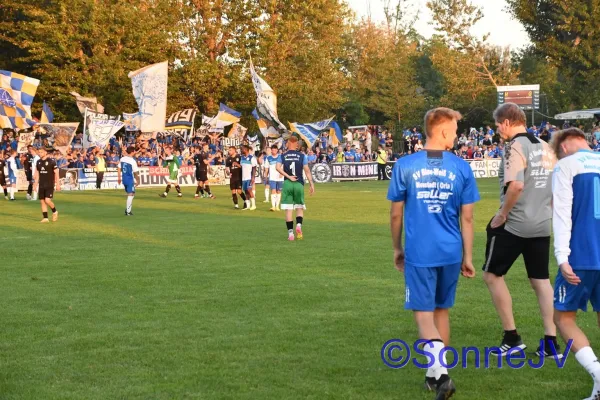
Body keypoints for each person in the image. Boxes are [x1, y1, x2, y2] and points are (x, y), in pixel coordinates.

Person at [388, 107, 479, 399]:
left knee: (423, 313)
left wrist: (397, 247)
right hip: (451, 251)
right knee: (441, 310)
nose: (457, 134)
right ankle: (434, 374)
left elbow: (395, 215)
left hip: (420, 251)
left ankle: (442, 376)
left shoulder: (405, 165)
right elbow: (467, 218)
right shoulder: (461, 167)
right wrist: (468, 256)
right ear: (441, 132)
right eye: (453, 129)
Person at [482, 102, 559, 357]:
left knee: (492, 275)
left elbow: (515, 186)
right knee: (541, 281)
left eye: (497, 126)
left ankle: (512, 338)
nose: (497, 131)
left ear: (506, 122)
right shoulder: (547, 147)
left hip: (515, 223)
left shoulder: (515, 145)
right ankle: (550, 341)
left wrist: (502, 215)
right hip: (541, 223)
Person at [551, 128, 600, 400]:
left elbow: (561, 214)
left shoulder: (565, 165)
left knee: (563, 318)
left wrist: (561, 256)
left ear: (565, 147)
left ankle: (599, 375)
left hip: (581, 255)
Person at [276, 136, 315, 241]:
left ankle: (290, 234)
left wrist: (288, 176)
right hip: (299, 183)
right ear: (297, 144)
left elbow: (277, 168)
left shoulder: (283, 156)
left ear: (288, 143)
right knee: (299, 208)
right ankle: (298, 225)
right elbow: (307, 171)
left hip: (288, 183)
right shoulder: (302, 156)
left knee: (289, 210)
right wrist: (311, 184)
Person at [34, 147, 60, 223]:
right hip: (41, 184)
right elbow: (38, 174)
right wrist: (35, 184)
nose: (40, 153)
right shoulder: (38, 162)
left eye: (41, 152)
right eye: (39, 152)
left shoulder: (51, 161)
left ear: (46, 152)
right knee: (42, 201)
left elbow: (57, 173)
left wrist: (58, 184)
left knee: (47, 200)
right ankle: (45, 218)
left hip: (49, 184)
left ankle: (55, 211)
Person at [117, 146, 140, 216]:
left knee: (132, 193)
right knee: (131, 194)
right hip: (129, 179)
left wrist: (119, 178)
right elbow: (136, 173)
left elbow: (118, 168)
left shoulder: (122, 159)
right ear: (132, 152)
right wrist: (138, 180)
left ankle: (128, 209)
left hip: (124, 179)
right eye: (134, 151)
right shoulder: (132, 161)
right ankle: (128, 211)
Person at [265, 145, 283, 211]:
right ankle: (273, 206)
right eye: (272, 150)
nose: (274, 151)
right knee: (273, 190)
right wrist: (266, 176)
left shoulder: (280, 157)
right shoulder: (268, 158)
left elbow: (283, 166)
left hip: (280, 177)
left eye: (275, 150)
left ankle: (277, 206)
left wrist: (281, 173)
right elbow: (266, 168)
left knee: (278, 191)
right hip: (272, 177)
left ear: (277, 150)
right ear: (271, 150)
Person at [241, 145, 257, 210]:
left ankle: (254, 205)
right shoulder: (242, 158)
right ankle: (248, 206)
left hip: (249, 177)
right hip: (243, 178)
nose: (241, 150)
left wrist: (253, 177)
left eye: (242, 149)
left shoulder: (252, 158)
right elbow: (242, 166)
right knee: (246, 191)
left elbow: (254, 168)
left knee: (249, 190)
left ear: (246, 149)